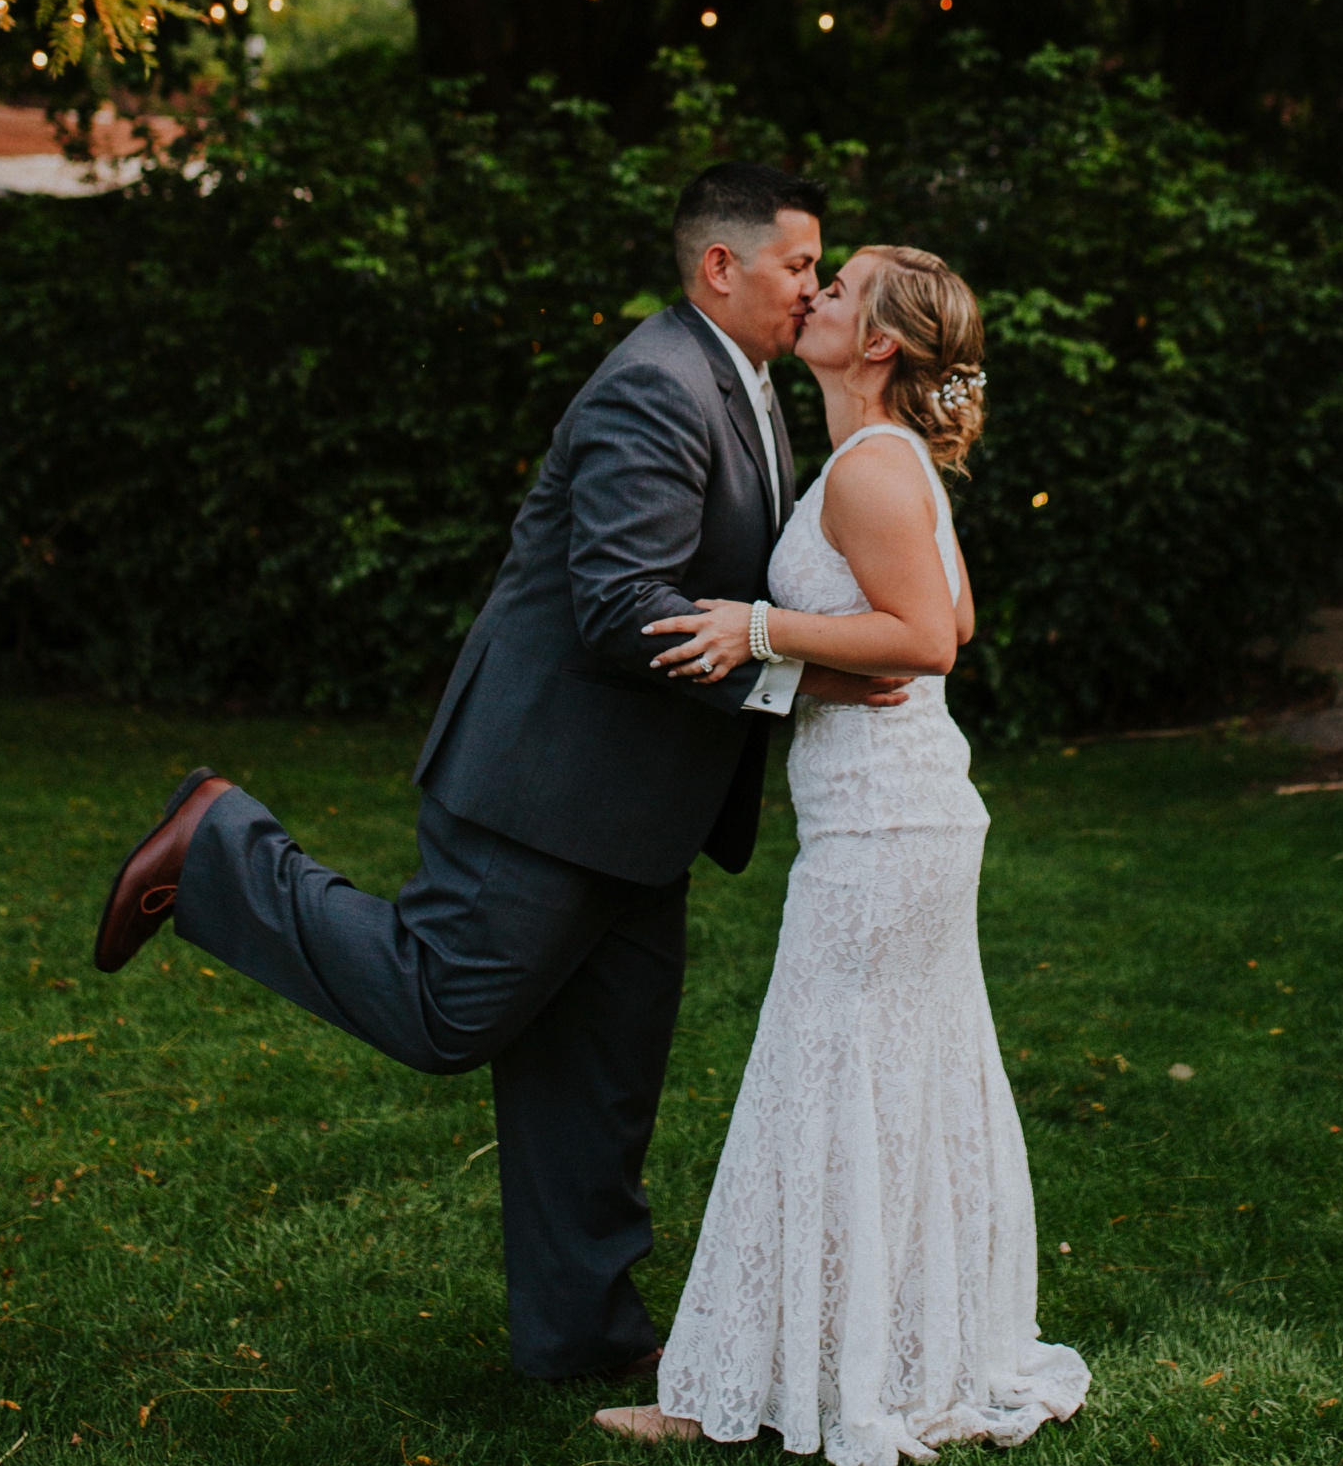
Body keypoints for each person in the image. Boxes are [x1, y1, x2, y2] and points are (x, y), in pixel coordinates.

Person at [89, 161, 910, 1383]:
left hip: (646, 810)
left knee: (601, 1076)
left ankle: (583, 1336)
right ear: (719, 268)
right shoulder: (656, 386)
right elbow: (622, 609)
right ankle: (217, 850)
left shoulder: (745, 386)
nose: (811, 288)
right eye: (799, 265)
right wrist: (802, 680)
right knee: (443, 1010)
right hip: (552, 786)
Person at [597, 244, 1088, 1466]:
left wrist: (753, 626)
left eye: (839, 285)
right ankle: (884, 1354)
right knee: (883, 1085)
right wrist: (814, 664)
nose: (812, 293)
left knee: (816, 1080)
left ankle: (728, 1393)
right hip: (897, 812)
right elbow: (946, 619)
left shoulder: (871, 466)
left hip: (883, 826)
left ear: (874, 342)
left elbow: (927, 636)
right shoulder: (882, 463)